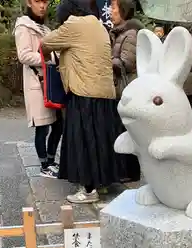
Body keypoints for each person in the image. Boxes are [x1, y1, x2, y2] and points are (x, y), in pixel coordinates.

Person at [41, 0, 126, 204]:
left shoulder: (74, 24)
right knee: (100, 140)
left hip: (84, 93)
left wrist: (48, 56)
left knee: (84, 140)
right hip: (105, 94)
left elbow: (45, 43)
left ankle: (88, 190)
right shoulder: (98, 25)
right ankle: (101, 183)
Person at [14, 0, 63, 178]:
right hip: (37, 83)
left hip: (50, 82)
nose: (42, 6)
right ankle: (44, 165)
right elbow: (24, 55)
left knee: (59, 125)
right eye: (37, 1)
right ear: (29, 2)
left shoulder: (46, 29)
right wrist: (49, 58)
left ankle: (51, 160)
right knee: (42, 126)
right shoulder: (23, 26)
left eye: (45, 2)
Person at [109, 0, 143, 182]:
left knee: (127, 131)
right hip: (118, 90)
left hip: (126, 90)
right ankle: (122, 170)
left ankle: (130, 172)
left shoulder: (130, 35)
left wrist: (105, 60)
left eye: (113, 7)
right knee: (119, 130)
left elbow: (127, 62)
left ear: (123, 10)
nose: (110, 11)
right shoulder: (118, 33)